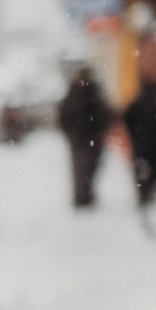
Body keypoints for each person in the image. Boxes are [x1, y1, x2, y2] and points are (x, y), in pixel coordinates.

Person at [121, 67, 156, 212]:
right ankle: (151, 189)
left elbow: (126, 117)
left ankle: (142, 190)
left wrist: (133, 133)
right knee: (155, 166)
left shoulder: (137, 100)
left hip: (140, 141)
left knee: (140, 165)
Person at [58, 64, 111, 212]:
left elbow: (63, 117)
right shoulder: (94, 92)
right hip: (91, 137)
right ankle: (85, 196)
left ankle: (81, 197)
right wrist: (101, 129)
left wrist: (70, 133)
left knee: (80, 167)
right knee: (90, 167)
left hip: (79, 138)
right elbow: (104, 114)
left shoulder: (72, 93)